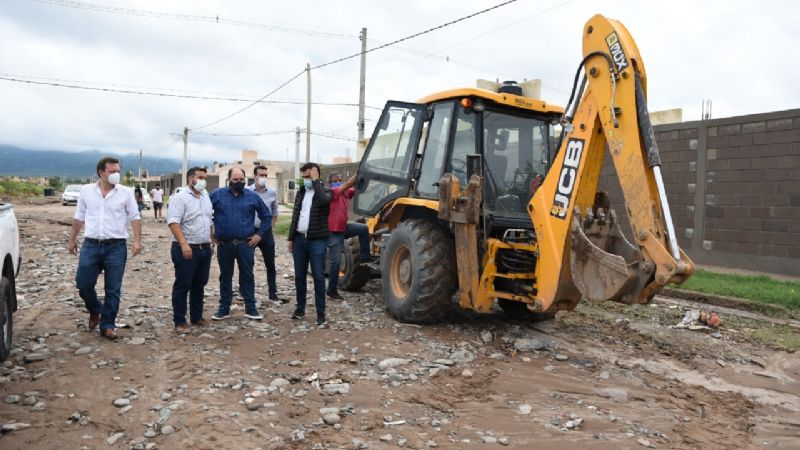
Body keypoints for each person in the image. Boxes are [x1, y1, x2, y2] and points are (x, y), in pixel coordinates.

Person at [67, 157, 142, 339]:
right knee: (83, 284)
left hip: (116, 246)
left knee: (113, 288)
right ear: (101, 173)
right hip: (91, 245)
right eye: (112, 171)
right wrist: (72, 239)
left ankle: (107, 325)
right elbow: (79, 217)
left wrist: (137, 240)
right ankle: (95, 309)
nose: (116, 174)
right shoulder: (86, 191)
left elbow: (135, 216)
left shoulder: (125, 192)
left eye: (118, 171)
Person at [210, 167, 271, 321]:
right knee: (225, 277)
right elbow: (204, 213)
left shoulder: (252, 196)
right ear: (229, 179)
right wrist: (210, 233)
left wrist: (259, 235)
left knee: (247, 276)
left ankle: (251, 308)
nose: (239, 182)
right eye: (235, 180)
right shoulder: (217, 195)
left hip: (246, 244)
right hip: (224, 244)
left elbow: (267, 217)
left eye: (242, 180)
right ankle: (224, 308)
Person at [167, 167, 213, 334]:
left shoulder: (206, 196)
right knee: (183, 285)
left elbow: (208, 219)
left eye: (205, 178)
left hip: (204, 248)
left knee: (199, 284)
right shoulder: (180, 198)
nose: (203, 181)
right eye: (200, 177)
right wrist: (183, 243)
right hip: (186, 248)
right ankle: (179, 321)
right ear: (190, 179)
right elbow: (173, 222)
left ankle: (197, 316)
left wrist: (212, 239)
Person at [288, 163, 332, 327]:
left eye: (308, 176)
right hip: (299, 239)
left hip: (317, 241)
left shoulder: (325, 191)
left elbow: (325, 201)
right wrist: (290, 237)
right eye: (304, 177)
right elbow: (295, 215)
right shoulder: (301, 192)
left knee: (319, 277)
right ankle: (300, 309)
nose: (305, 180)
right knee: (300, 276)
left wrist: (316, 182)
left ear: (315, 175)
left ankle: (321, 313)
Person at [325, 172, 374, 300]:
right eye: (336, 179)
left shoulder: (345, 193)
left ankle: (364, 258)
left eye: (340, 179)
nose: (339, 181)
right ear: (331, 183)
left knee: (363, 229)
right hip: (334, 232)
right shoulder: (331, 192)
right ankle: (331, 290)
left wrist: (374, 183)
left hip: (344, 228)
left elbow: (359, 189)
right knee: (335, 262)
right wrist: (358, 174)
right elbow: (348, 184)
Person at [246, 165, 285, 303]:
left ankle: (272, 293)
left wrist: (272, 226)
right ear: (255, 176)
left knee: (270, 264)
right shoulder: (247, 191)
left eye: (265, 175)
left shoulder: (272, 192)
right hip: (250, 232)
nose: (263, 178)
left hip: (266, 232)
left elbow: (274, 211)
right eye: (260, 175)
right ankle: (244, 292)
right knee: (246, 263)